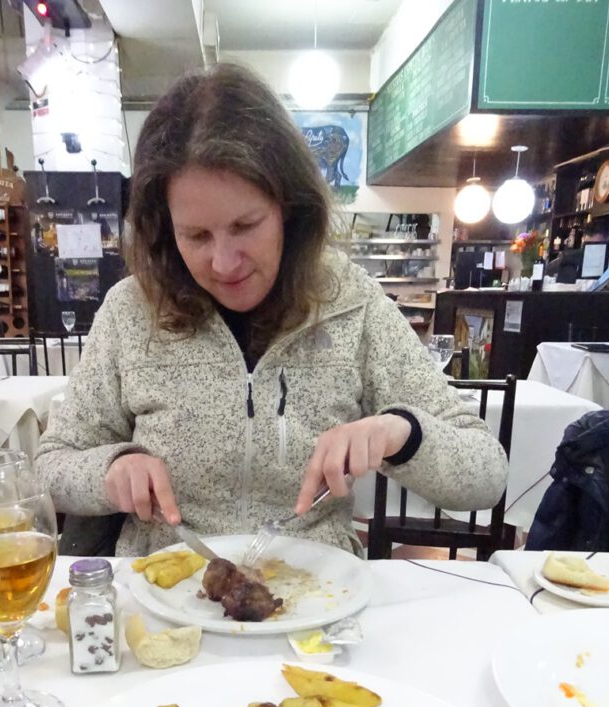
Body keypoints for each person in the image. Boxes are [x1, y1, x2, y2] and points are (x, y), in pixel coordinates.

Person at [36, 63, 508, 557]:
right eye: (195, 235)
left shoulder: (352, 302)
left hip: (317, 600)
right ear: (163, 228)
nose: (222, 262)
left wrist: (401, 433)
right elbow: (52, 465)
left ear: (290, 208)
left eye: (245, 226)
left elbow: (486, 475)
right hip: (165, 598)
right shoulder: (130, 311)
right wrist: (111, 472)